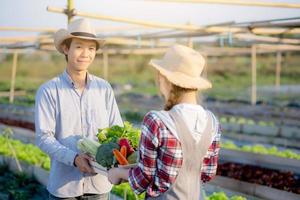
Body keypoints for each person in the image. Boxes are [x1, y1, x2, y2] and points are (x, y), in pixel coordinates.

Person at [108, 44, 221, 200]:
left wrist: (118, 173)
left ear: (166, 80)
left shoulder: (157, 121)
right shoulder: (212, 122)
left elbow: (144, 177)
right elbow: (207, 173)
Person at [35, 18, 123, 200]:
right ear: (66, 49)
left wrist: (123, 161)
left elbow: (117, 129)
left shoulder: (104, 88)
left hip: (100, 185)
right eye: (79, 47)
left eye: (91, 48)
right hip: (64, 188)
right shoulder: (49, 91)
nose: (86, 54)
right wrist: (74, 158)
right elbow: (44, 137)